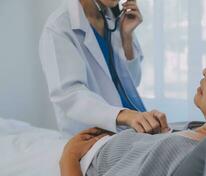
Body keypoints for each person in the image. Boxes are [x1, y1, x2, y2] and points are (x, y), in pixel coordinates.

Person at [60, 68, 206, 176]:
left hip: (72, 172)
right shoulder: (194, 127)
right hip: (85, 148)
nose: (204, 71)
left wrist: (68, 158)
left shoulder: (182, 149)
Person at [39, 0, 169, 135]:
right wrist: (123, 115)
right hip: (96, 138)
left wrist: (127, 37)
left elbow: (134, 81)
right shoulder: (59, 27)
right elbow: (70, 96)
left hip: (136, 126)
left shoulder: (114, 20)